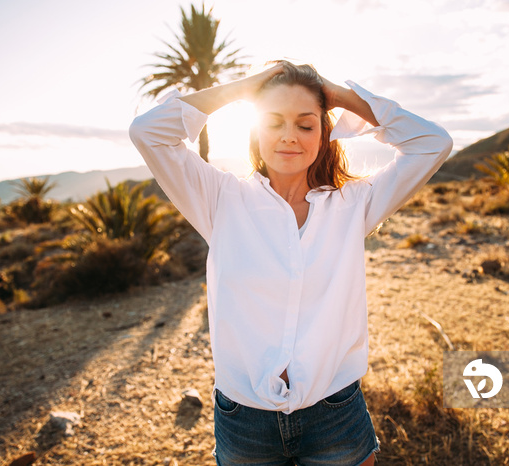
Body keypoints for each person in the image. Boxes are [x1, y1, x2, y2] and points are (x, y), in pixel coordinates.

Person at [129, 61, 453, 466]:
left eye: (305, 124)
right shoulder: (220, 199)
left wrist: (338, 96)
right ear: (255, 129)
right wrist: (247, 88)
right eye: (273, 121)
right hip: (244, 420)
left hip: (335, 412)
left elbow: (433, 143)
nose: (288, 137)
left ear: (323, 134)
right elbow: (147, 132)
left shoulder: (354, 205)